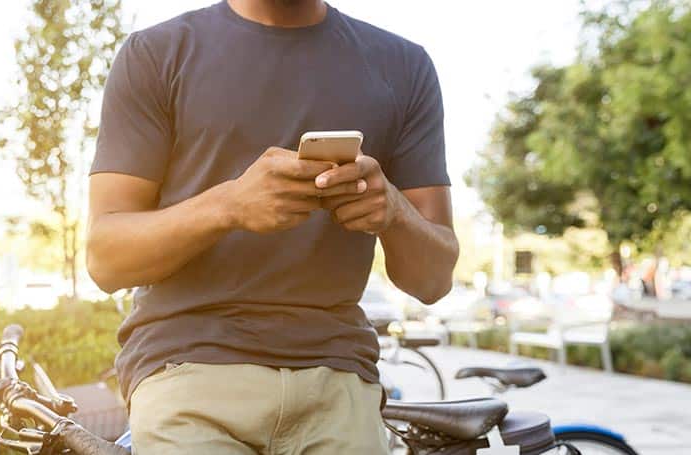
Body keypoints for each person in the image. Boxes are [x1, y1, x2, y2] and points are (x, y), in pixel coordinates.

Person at [86, 1, 459, 453]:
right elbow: (105, 258)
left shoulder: (403, 66)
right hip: (188, 369)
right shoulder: (156, 54)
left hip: (338, 378)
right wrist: (229, 205)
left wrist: (393, 212)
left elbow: (434, 280)